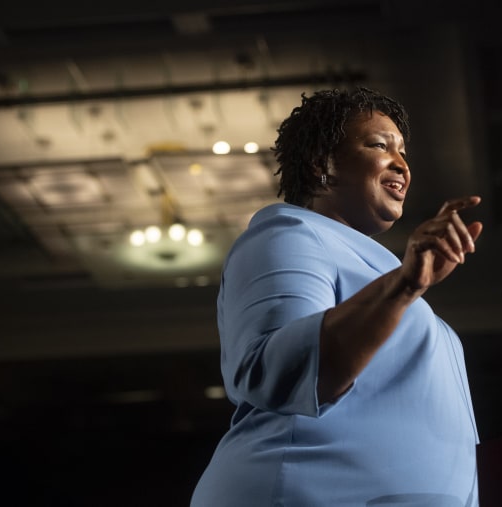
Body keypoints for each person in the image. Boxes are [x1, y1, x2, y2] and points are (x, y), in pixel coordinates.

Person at [191, 87, 483, 507]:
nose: (401, 163)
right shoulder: (289, 234)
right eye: (380, 145)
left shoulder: (378, 271)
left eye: (403, 151)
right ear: (320, 163)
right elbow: (277, 371)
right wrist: (404, 285)